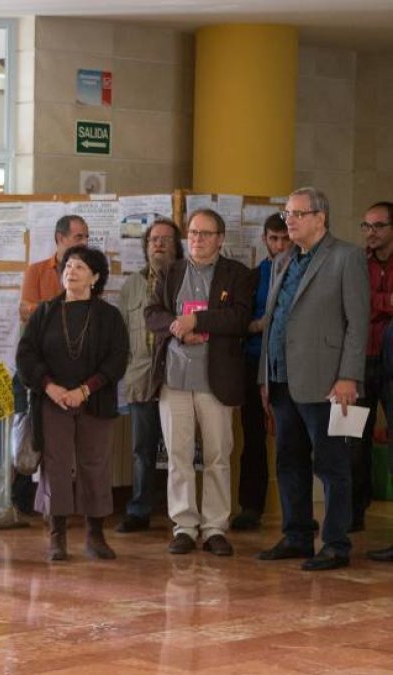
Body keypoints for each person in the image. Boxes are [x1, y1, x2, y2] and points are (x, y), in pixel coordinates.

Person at [258, 187, 369, 571]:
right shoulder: (283, 260)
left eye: (297, 214)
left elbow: (358, 323)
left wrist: (349, 375)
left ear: (320, 218)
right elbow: (274, 321)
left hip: (327, 381)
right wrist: (265, 377)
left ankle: (336, 543)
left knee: (332, 463)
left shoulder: (347, 256)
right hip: (282, 378)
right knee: (289, 461)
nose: (289, 220)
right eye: (287, 213)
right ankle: (297, 535)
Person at [145, 209, 254, 557]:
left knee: (217, 455)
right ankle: (184, 526)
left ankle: (214, 528)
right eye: (193, 232)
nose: (197, 239)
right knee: (178, 456)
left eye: (206, 233)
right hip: (175, 379)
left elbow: (239, 318)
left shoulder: (236, 274)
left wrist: (197, 320)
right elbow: (153, 313)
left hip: (216, 380)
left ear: (221, 238)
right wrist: (178, 327)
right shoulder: (171, 271)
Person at [16, 245, 129, 561]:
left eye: (79, 266)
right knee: (55, 467)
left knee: (95, 466)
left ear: (95, 277)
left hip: (94, 400)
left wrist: (85, 389)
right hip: (52, 403)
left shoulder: (109, 316)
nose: (71, 271)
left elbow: (117, 359)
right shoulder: (45, 312)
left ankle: (95, 535)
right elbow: (25, 356)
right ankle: (57, 536)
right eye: (67, 266)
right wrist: (49, 386)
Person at [117, 218, 182, 533]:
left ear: (177, 245)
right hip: (141, 376)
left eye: (166, 239)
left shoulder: (186, 277)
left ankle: (181, 513)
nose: (159, 244)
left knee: (180, 449)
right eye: (153, 239)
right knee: (143, 449)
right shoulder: (132, 285)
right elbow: (120, 333)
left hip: (176, 376)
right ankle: (139, 510)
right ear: (145, 247)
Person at [232, 213, 291, 531]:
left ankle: (293, 511)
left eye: (285, 239)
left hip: (292, 364)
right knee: (253, 437)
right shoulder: (255, 276)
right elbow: (239, 320)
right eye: (274, 239)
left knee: (291, 438)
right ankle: (250, 506)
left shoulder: (302, 269)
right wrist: (260, 325)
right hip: (255, 361)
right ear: (265, 239)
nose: (279, 245)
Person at [354, 201, 393, 535]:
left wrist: (372, 302)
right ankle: (353, 514)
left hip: (392, 361)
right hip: (360, 361)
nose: (370, 233)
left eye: (378, 226)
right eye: (365, 226)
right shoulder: (357, 263)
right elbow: (353, 304)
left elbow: (365, 303)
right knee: (353, 439)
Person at [19, 214, 90, 322]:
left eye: (86, 237)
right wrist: (65, 309)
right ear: (60, 238)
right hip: (44, 337)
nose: (85, 243)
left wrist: (44, 308)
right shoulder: (35, 271)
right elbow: (25, 313)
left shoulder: (90, 272)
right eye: (79, 237)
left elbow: (91, 312)